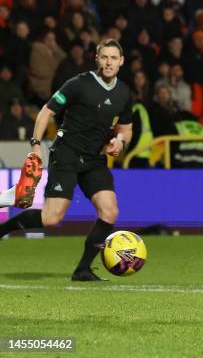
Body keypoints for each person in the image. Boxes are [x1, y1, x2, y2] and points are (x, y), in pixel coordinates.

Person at [0, 39, 133, 282]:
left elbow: (127, 129)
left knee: (110, 212)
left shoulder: (124, 93)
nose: (109, 62)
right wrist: (36, 145)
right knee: (52, 218)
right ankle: (3, 229)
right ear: (97, 58)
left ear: (121, 61)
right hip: (67, 153)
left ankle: (82, 269)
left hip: (94, 159)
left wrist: (121, 141)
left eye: (114, 58)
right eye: (104, 57)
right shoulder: (79, 84)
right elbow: (46, 112)